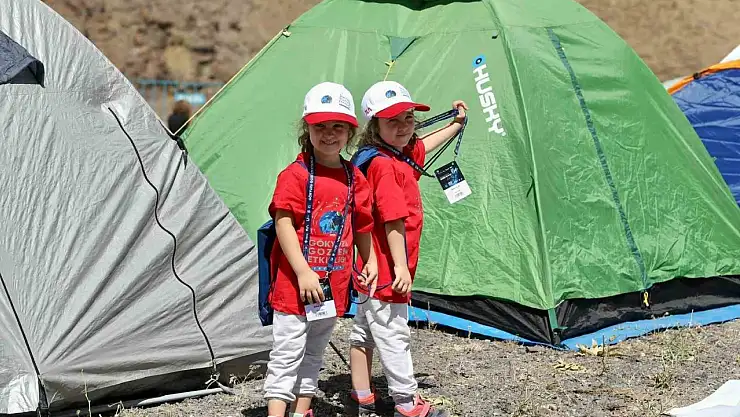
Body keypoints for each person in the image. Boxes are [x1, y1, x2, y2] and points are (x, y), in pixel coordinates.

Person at [348, 81, 467, 417]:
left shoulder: (391, 154)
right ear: (375, 125)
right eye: (393, 121)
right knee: (394, 333)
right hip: (387, 268)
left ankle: (361, 396)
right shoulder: (384, 166)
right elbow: (392, 220)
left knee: (364, 330)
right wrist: (400, 267)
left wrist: (455, 125)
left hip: (370, 266)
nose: (402, 127)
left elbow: (422, 146)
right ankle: (406, 403)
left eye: (408, 119)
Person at [263, 81, 378, 417]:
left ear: (350, 132)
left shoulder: (354, 177)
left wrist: (369, 260)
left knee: (313, 353)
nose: (329, 134)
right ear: (307, 129)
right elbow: (284, 223)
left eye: (338, 127)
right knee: (287, 355)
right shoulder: (295, 175)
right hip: (294, 287)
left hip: (331, 287)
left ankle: (301, 412)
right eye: (320, 126)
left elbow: (362, 225)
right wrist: (302, 271)